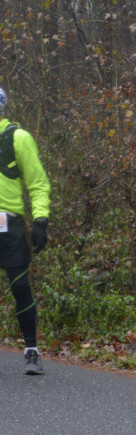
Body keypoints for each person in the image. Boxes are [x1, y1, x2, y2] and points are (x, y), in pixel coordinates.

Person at [0, 86, 51, 375]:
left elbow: (38, 183)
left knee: (20, 287)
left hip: (10, 225)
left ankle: (31, 351)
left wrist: (41, 219)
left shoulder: (18, 138)